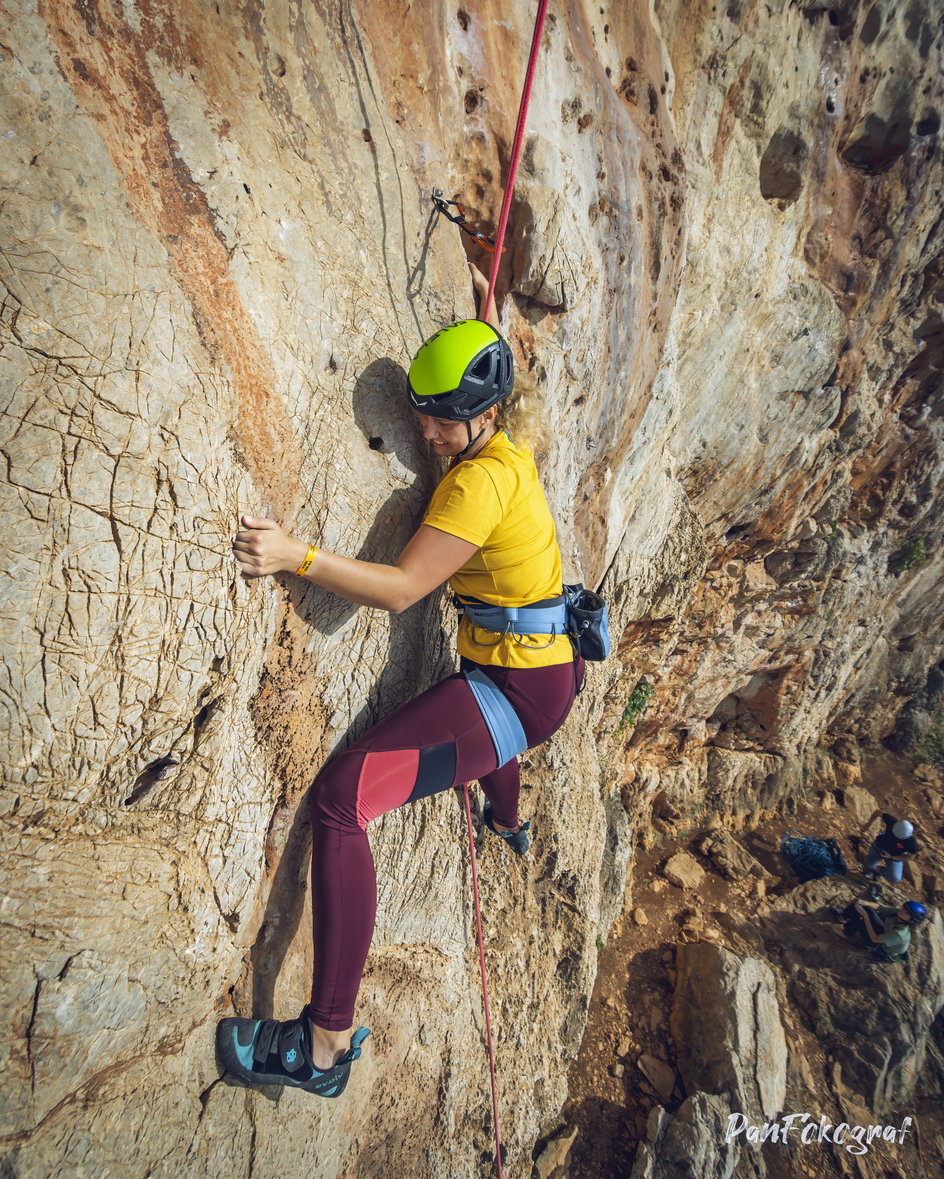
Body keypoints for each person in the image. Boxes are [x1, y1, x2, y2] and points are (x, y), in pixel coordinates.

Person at [216, 263, 583, 1097]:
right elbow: (470, 372)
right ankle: (508, 819)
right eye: (419, 409)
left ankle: (324, 1045)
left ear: (485, 414)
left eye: (441, 417)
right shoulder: (502, 446)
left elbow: (402, 589)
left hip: (515, 693)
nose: (423, 427)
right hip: (536, 672)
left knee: (344, 798)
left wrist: (292, 556)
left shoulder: (481, 484)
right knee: (496, 739)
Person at [838, 897, 928, 962]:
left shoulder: (899, 934)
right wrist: (865, 903)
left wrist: (866, 917)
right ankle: (842, 917)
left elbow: (875, 939)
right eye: (904, 908)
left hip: (879, 946)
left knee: (863, 918)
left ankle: (845, 933)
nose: (902, 910)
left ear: (911, 920)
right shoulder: (898, 913)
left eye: (907, 913)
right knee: (866, 909)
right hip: (884, 932)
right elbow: (881, 908)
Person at [861, 812, 920, 883]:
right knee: (867, 869)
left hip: (894, 856)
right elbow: (877, 812)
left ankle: (878, 870)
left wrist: (892, 857)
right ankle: (868, 874)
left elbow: (909, 857)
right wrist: (868, 825)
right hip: (878, 847)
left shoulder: (912, 843)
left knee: (895, 878)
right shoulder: (893, 822)